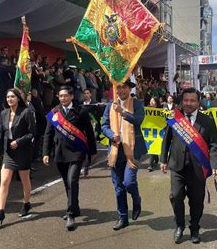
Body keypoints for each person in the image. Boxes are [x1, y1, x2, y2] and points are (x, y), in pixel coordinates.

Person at [160, 88, 217, 244]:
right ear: (182, 101)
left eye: (192, 100)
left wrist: (214, 163)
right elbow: (166, 139)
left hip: (198, 167)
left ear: (198, 102)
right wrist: (163, 159)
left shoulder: (207, 121)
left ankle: (194, 228)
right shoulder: (175, 118)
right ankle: (179, 225)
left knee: (196, 199)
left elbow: (214, 144)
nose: (188, 103)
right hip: (177, 165)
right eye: (186, 100)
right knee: (175, 196)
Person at [43, 86, 97, 231]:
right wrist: (46, 153)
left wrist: (92, 151)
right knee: (67, 183)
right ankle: (75, 206)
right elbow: (48, 134)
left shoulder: (80, 111)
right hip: (60, 152)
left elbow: (89, 133)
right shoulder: (54, 113)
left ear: (72, 96)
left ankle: (71, 213)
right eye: (60, 96)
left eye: (66, 96)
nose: (63, 98)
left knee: (72, 180)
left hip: (76, 152)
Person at [101, 80, 147, 231]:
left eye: (124, 87)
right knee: (118, 187)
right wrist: (110, 135)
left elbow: (138, 120)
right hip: (115, 149)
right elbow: (104, 125)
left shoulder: (137, 103)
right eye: (118, 87)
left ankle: (136, 199)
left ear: (129, 88)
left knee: (128, 182)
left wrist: (122, 111)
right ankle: (122, 217)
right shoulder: (110, 105)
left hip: (132, 148)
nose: (120, 90)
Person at [0, 89, 36, 225]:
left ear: (18, 98)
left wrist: (18, 142)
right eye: (7, 97)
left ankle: (26, 203)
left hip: (22, 152)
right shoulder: (4, 113)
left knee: (25, 180)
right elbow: (1, 134)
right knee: (4, 181)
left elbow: (32, 133)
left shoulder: (26, 112)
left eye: (12, 97)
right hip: (9, 153)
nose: (9, 99)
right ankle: (0, 212)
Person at [147, 97, 162, 172]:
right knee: (151, 147)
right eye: (151, 101)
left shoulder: (161, 110)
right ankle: (150, 164)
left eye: (153, 101)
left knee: (155, 146)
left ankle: (155, 159)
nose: (152, 102)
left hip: (158, 131)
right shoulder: (147, 110)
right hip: (150, 131)